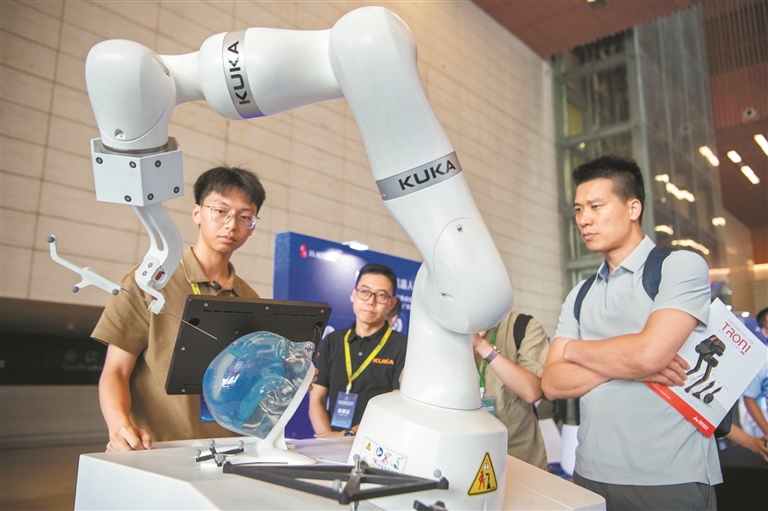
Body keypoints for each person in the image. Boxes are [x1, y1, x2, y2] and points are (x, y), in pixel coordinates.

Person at [541, 154, 721, 510]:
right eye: (578, 210)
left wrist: (574, 350)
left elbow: (647, 355)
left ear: (633, 207)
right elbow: (552, 383)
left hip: (670, 478)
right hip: (590, 474)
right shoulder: (580, 294)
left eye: (596, 206)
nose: (584, 219)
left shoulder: (679, 266)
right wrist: (633, 366)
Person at [93, 166, 266, 451]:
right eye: (220, 211)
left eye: (245, 216)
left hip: (232, 449)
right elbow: (115, 371)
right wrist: (119, 426)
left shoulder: (250, 298)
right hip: (158, 450)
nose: (232, 224)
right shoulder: (150, 281)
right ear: (197, 212)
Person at [309, 263, 407, 437]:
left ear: (391, 303)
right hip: (331, 442)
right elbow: (317, 398)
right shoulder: (333, 341)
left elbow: (396, 407)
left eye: (381, 295)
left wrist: (348, 435)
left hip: (377, 442)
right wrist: (329, 439)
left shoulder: (403, 346)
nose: (371, 301)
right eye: (364, 292)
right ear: (354, 294)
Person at [472, 310, 549, 470]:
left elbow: (532, 392)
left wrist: (481, 345)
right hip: (466, 456)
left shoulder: (523, 326)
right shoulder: (445, 328)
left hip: (520, 458)